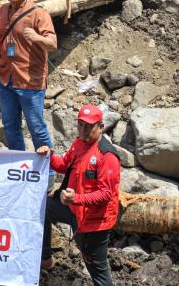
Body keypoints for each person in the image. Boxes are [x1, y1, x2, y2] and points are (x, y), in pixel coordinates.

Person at [37, 104, 121, 286]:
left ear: (101, 126)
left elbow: (106, 194)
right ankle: (45, 259)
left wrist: (77, 199)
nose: (84, 130)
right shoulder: (78, 144)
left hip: (94, 220)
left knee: (97, 270)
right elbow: (63, 165)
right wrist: (49, 157)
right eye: (80, 125)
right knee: (42, 207)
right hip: (73, 208)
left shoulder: (107, 156)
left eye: (89, 126)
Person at [0, 0, 57, 151]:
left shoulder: (39, 14)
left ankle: (49, 172)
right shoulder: (3, 10)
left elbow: (52, 44)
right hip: (6, 78)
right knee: (10, 126)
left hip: (30, 81)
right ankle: (18, 167)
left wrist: (37, 38)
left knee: (37, 128)